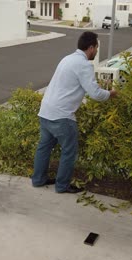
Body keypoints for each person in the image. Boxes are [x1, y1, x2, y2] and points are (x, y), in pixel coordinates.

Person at [31, 31, 118, 193]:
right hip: (61, 116)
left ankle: (38, 180)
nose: (97, 51)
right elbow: (95, 94)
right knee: (69, 151)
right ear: (91, 47)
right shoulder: (84, 64)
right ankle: (62, 186)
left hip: (45, 111)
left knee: (43, 148)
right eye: (97, 47)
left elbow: (74, 84)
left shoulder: (67, 59)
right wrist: (111, 94)